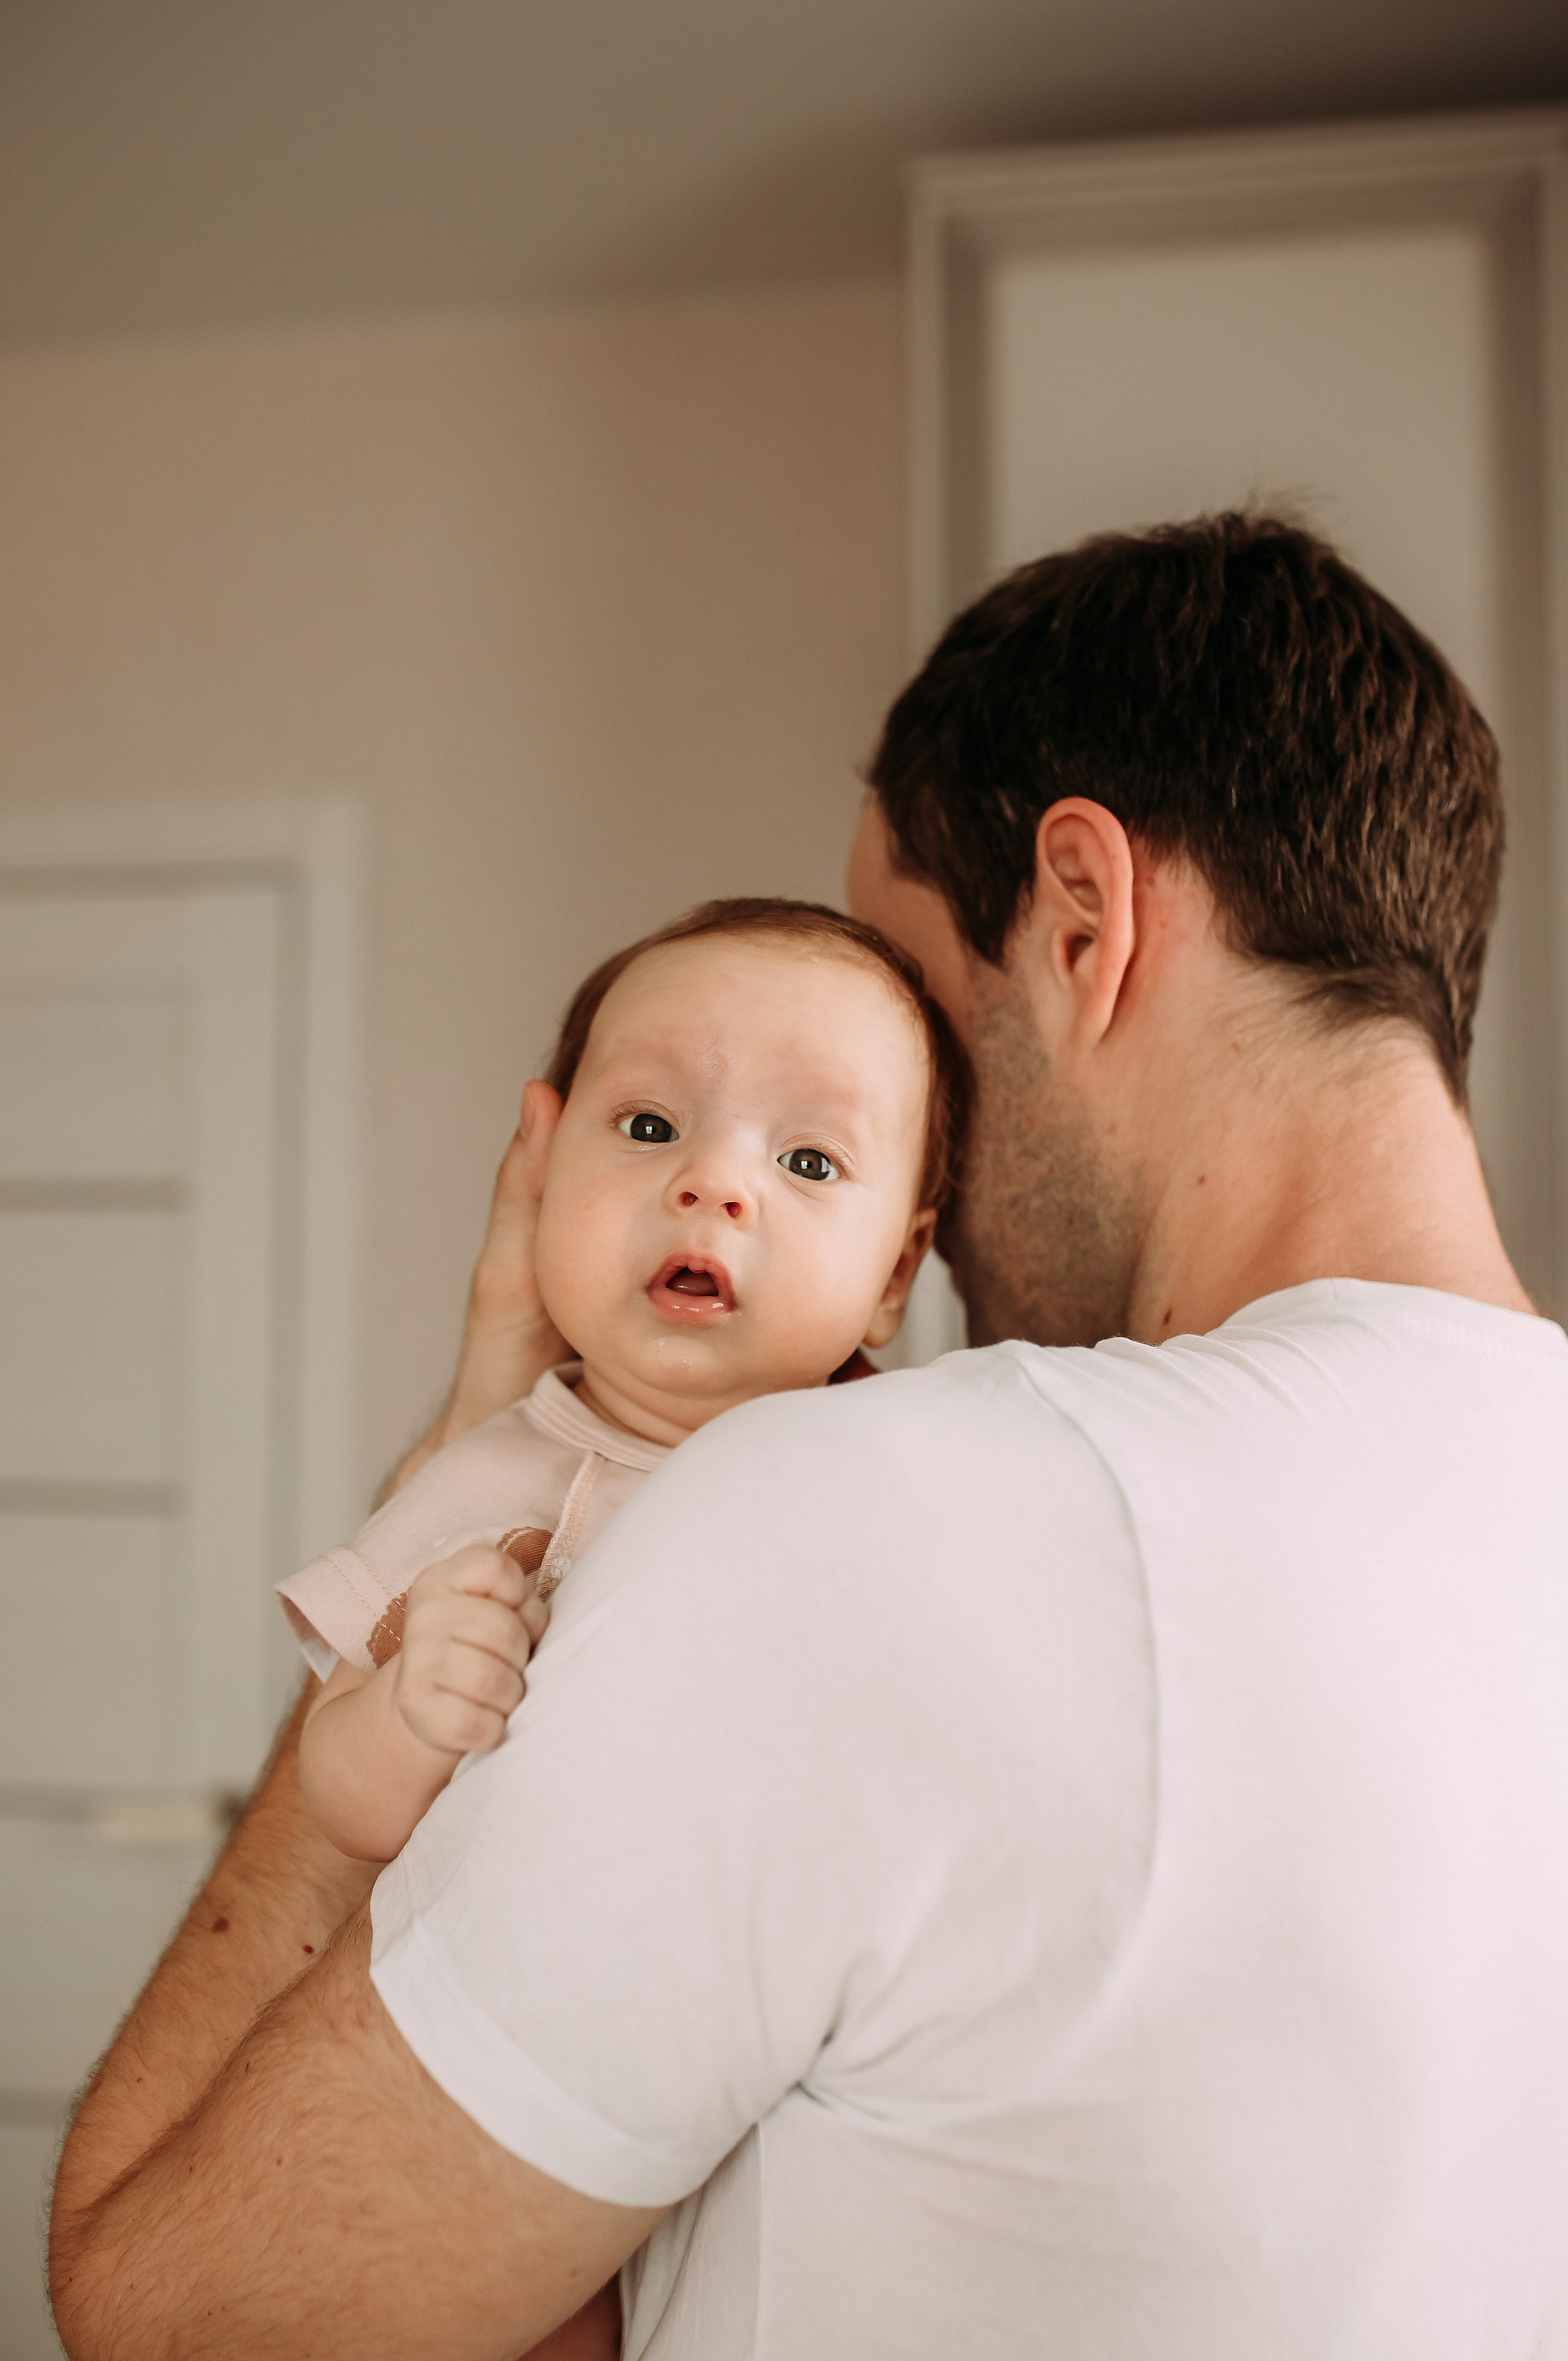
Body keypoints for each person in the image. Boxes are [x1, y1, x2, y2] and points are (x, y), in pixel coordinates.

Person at [49, 512, 1568, 2361]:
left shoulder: (867, 1520)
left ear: (1083, 918)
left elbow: (166, 2299)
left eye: (917, 1003)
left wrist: (438, 1530)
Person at [281, 897, 959, 1864]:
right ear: (544, 1183)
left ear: (895, 1271)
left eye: (808, 1158)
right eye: (649, 1123)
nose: (714, 1180)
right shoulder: (496, 1491)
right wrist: (411, 1709)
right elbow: (339, 1802)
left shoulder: (920, 1484)